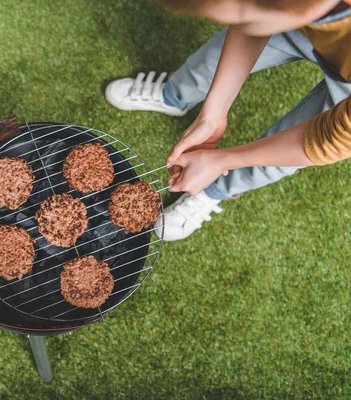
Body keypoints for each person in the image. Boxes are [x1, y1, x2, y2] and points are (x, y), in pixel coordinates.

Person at [105, 0, 351, 241]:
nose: (237, 24)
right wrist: (212, 115)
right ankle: (175, 95)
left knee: (279, 153)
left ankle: (215, 188)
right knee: (215, 58)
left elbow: (327, 142)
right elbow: (250, 18)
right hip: (298, 19)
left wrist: (222, 160)